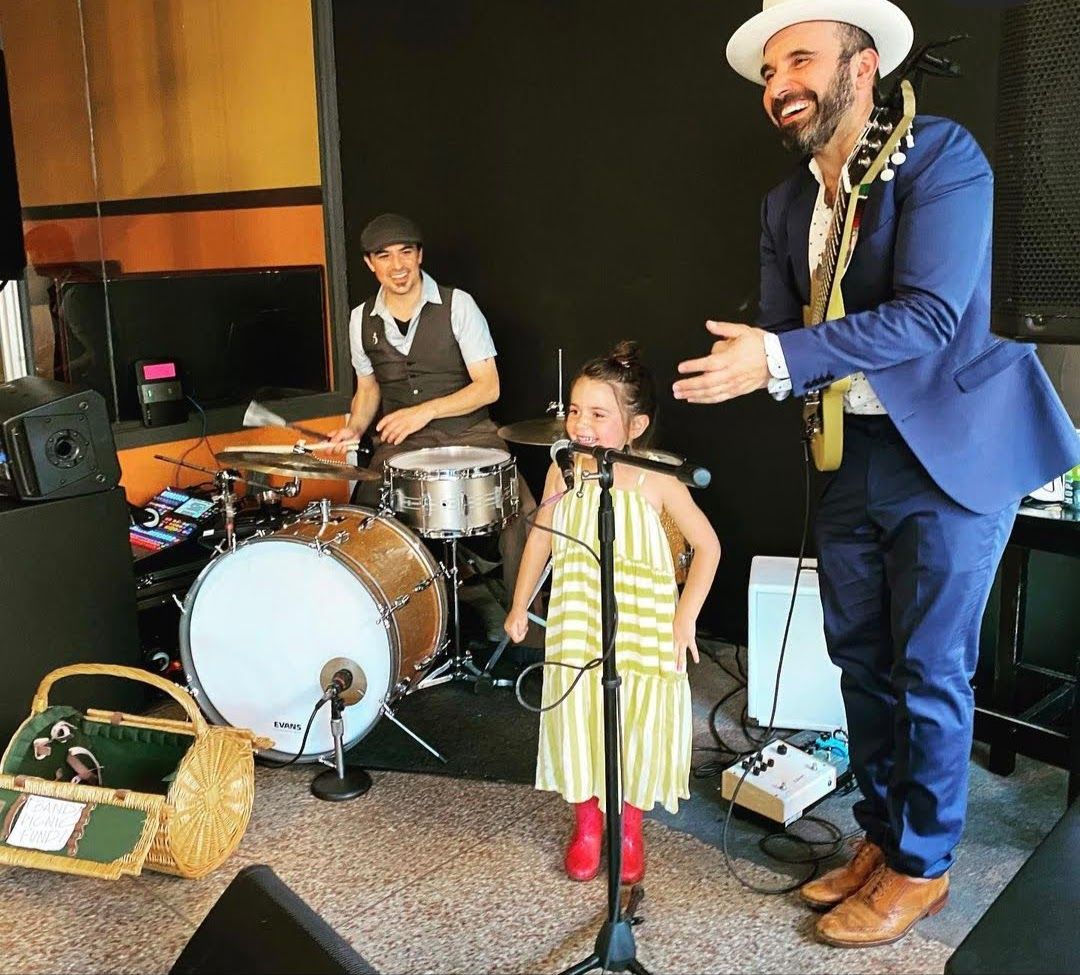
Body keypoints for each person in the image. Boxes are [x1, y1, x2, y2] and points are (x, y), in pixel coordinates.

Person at [672, 0, 1080, 948]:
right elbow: (785, 334)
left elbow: (932, 315)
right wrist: (759, 357)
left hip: (952, 451)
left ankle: (924, 868)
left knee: (929, 665)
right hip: (851, 452)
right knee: (859, 657)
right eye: (769, 72)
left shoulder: (941, 157)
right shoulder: (784, 206)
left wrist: (776, 356)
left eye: (800, 61)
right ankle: (884, 835)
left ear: (862, 68)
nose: (780, 86)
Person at [505, 341, 721, 884]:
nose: (581, 424)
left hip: (643, 627)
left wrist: (685, 617)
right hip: (578, 621)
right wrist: (519, 604)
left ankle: (627, 828)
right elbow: (541, 539)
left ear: (636, 425)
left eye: (599, 415)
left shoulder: (657, 477)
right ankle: (586, 826)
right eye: (576, 410)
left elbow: (708, 547)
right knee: (580, 719)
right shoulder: (563, 472)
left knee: (635, 725)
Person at [327, 212, 535, 604]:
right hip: (400, 447)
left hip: (470, 434)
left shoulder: (459, 305)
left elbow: (489, 387)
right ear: (370, 263)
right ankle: (397, 621)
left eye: (405, 252)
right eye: (384, 256)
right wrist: (354, 427)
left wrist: (425, 411)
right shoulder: (359, 320)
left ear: (419, 255)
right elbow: (368, 388)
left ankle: (523, 622)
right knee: (361, 521)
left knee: (522, 513)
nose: (397, 265)